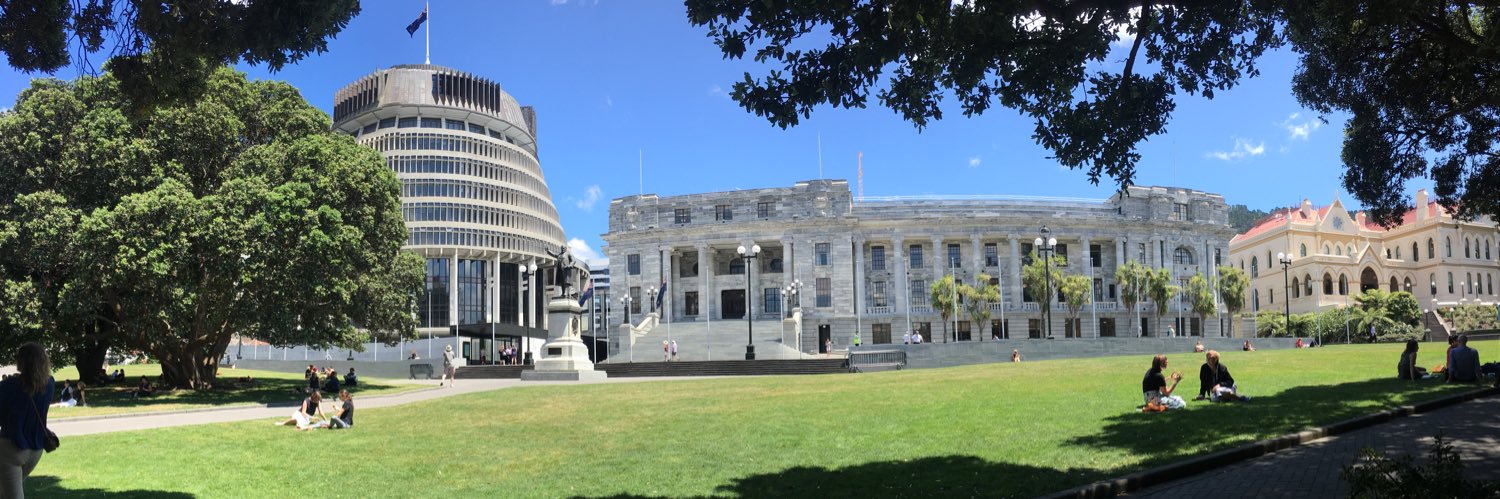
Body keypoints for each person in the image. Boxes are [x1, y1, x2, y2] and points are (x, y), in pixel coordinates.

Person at [0, 342, 54, 497]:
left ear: (21, 361)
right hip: (36, 449)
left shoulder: (9, 386)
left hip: (11, 448)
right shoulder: (49, 384)